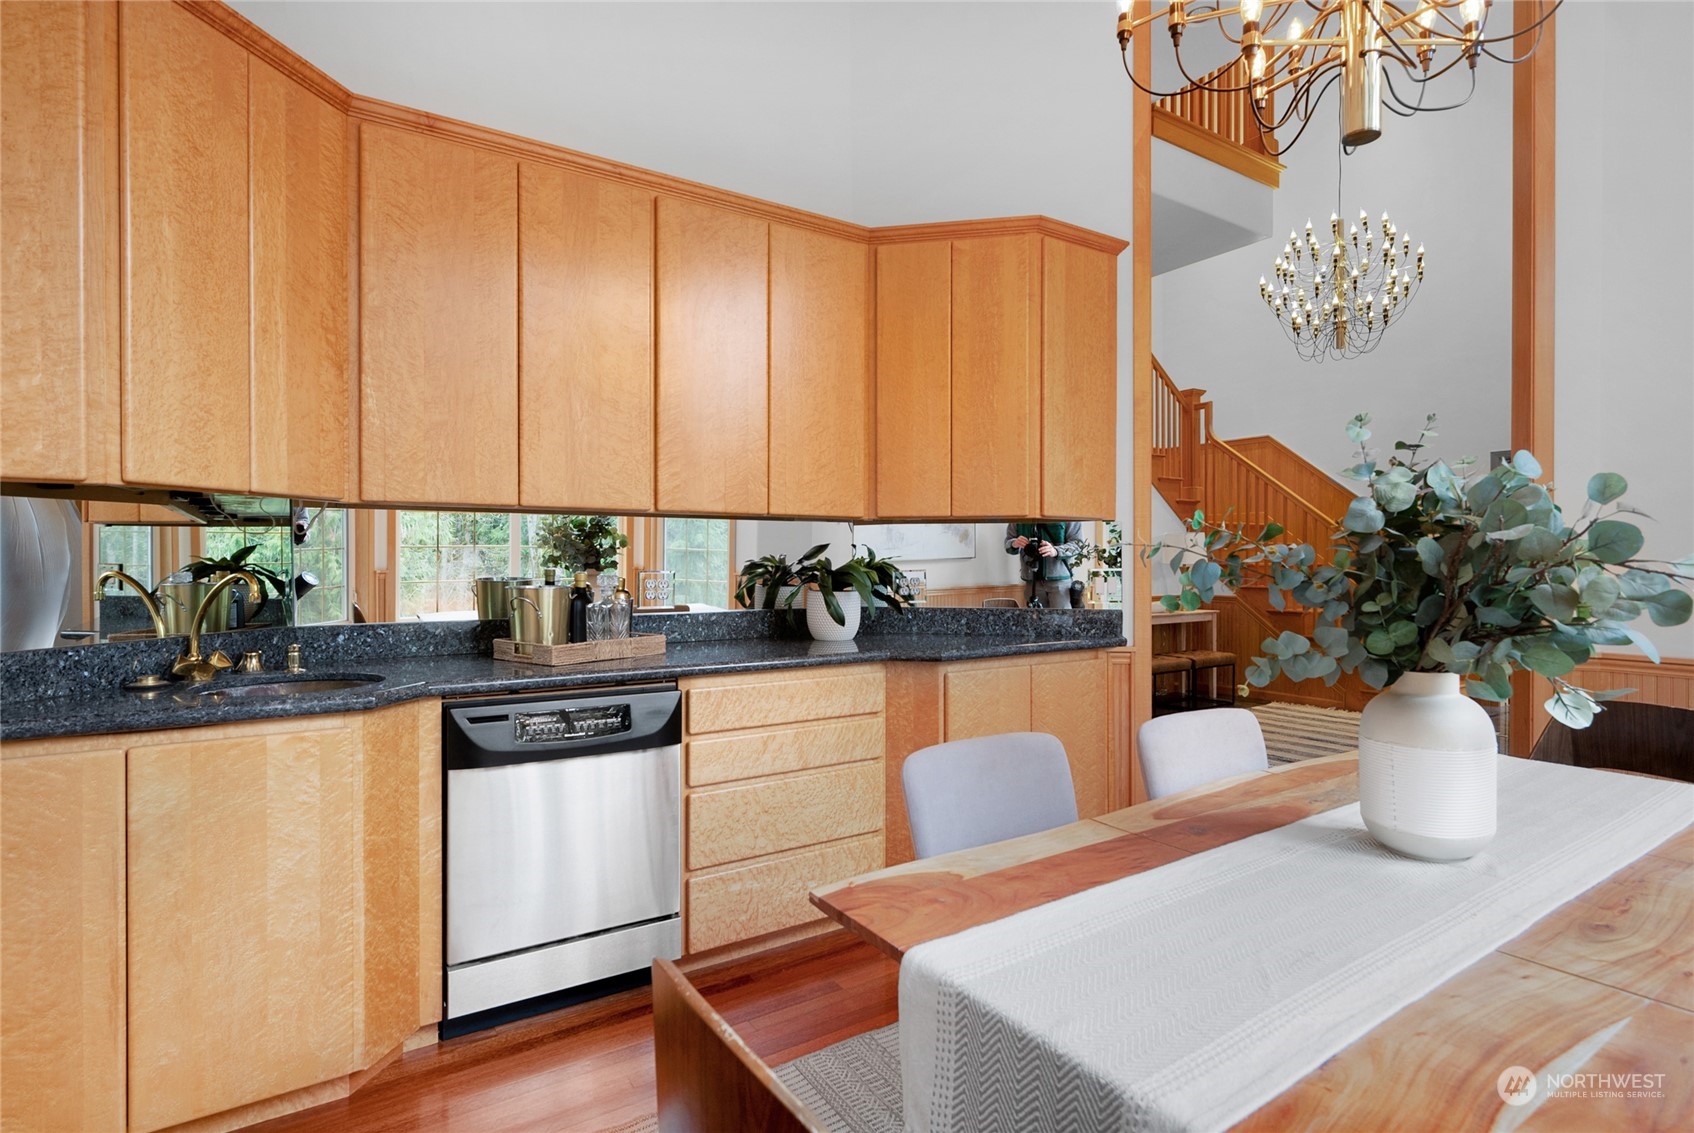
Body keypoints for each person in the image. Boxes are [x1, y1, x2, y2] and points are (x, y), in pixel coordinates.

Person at [1004, 522, 1083, 609]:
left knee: (1062, 620)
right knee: (1036, 620)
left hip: (1059, 581)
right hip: (1032, 581)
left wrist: (1056, 551)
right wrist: (1014, 543)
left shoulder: (1068, 514)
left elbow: (1077, 544)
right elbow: (1008, 543)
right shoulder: (1019, 516)